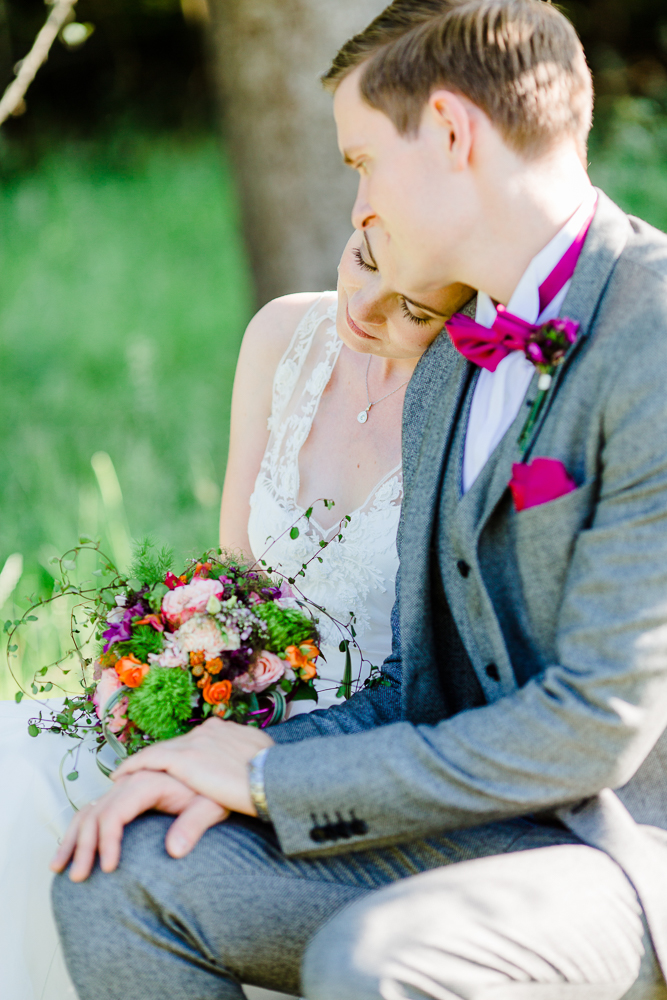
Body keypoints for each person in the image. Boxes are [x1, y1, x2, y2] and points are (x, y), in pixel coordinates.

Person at [51, 2, 667, 999]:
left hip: (620, 851)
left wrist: (266, 781)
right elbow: (424, 683)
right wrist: (217, 754)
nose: (357, 211)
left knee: (375, 959)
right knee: (120, 874)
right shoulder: (455, 364)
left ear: (453, 132)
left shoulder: (653, 332)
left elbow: (596, 724)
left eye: (362, 164)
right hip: (456, 824)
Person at [0, 228, 471, 1000]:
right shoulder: (283, 333)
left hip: (347, 742)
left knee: (144, 845)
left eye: (412, 309)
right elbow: (236, 577)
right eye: (362, 262)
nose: (365, 306)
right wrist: (163, 662)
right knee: (17, 767)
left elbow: (441, 664)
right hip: (231, 691)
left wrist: (253, 744)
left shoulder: (471, 404)